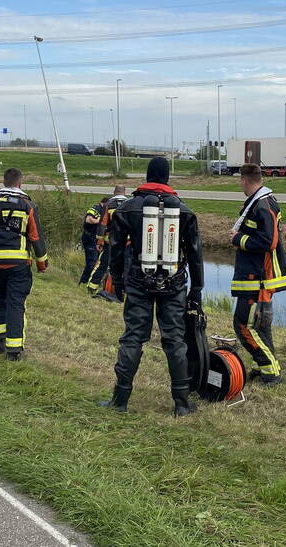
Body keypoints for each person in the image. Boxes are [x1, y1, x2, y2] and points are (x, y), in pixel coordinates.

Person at [99, 157, 204, 417]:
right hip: (174, 282)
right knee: (175, 340)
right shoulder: (185, 210)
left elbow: (115, 249)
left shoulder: (128, 208)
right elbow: (195, 254)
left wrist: (117, 281)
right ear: (167, 178)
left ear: (147, 176)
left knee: (133, 337)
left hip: (138, 280)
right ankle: (181, 404)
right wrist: (196, 290)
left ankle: (120, 400)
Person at [0, 168, 49, 360]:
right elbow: (36, 237)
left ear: (4, 182)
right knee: (15, 304)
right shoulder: (28, 206)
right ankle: (13, 351)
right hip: (18, 264)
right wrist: (42, 262)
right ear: (20, 183)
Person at [228, 163, 286, 386]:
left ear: (245, 180)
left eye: (240, 181)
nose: (240, 185)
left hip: (259, 278)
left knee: (243, 325)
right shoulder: (260, 202)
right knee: (260, 325)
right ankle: (263, 367)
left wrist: (238, 239)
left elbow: (268, 241)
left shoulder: (262, 205)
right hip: (255, 275)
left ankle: (272, 371)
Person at [86, 185, 128, 300]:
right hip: (126, 242)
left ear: (114, 192)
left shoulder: (109, 204)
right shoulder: (130, 203)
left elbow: (103, 224)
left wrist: (99, 241)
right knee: (125, 266)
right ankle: (122, 292)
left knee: (102, 264)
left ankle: (91, 287)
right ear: (125, 192)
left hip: (111, 241)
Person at [78, 197, 106, 285]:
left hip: (97, 241)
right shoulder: (95, 208)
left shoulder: (104, 210)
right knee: (92, 262)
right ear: (104, 203)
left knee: (97, 262)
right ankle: (83, 282)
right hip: (90, 239)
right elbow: (89, 219)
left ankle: (91, 282)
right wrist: (101, 221)